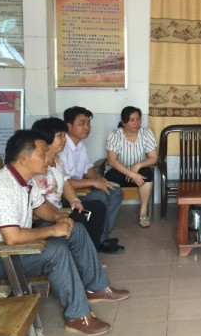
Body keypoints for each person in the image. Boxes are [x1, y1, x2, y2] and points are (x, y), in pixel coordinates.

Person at [0, 130, 130, 336]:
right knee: (56, 251)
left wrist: (58, 218)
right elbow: (12, 237)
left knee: (75, 229)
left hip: (12, 249)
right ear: (24, 159)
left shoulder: (24, 180)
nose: (48, 159)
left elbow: (41, 206)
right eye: (42, 154)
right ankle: (77, 316)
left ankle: (96, 287)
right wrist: (53, 230)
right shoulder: (1, 188)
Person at [31, 117, 107, 248]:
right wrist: (59, 214)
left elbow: (65, 183)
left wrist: (74, 201)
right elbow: (39, 201)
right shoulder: (38, 165)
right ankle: (85, 250)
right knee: (81, 219)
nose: (64, 140)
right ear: (46, 138)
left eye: (64, 135)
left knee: (97, 207)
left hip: (60, 209)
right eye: (60, 136)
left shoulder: (57, 160)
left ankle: (93, 248)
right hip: (47, 216)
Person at [59, 106, 124, 253]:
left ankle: (102, 236)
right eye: (82, 123)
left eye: (88, 123)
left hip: (78, 187)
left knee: (115, 191)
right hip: (65, 194)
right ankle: (99, 240)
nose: (87, 127)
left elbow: (87, 169)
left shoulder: (80, 145)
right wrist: (94, 183)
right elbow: (64, 183)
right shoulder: (62, 148)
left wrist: (102, 180)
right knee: (100, 196)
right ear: (69, 126)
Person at [104, 106, 158, 228]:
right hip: (119, 171)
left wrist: (138, 165)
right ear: (123, 122)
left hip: (138, 173)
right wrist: (131, 174)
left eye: (138, 119)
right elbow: (111, 160)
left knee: (147, 173)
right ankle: (109, 215)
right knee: (111, 176)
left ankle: (143, 211)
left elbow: (153, 158)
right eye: (132, 120)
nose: (136, 123)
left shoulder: (146, 133)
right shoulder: (115, 135)